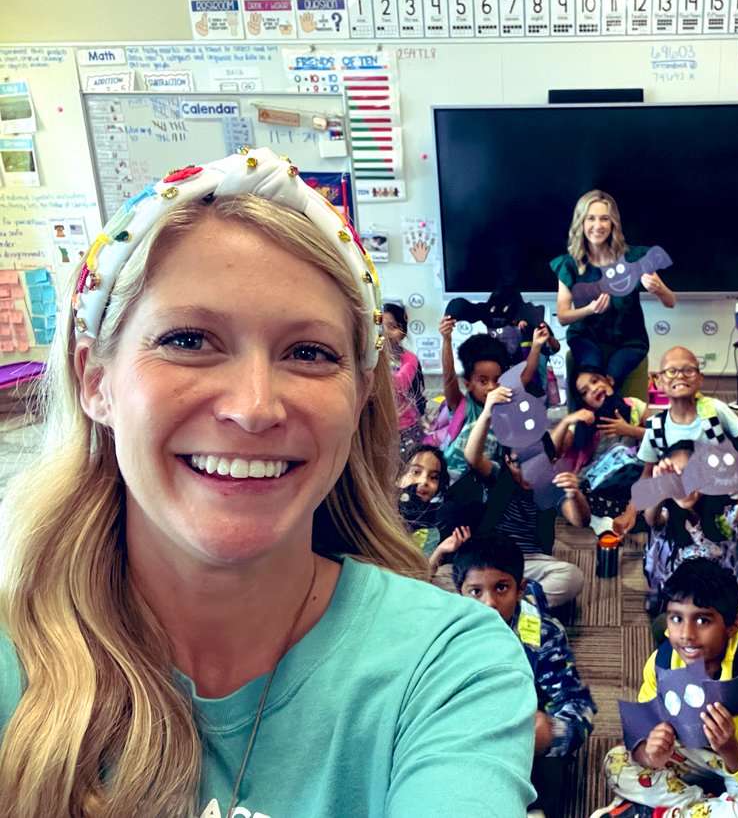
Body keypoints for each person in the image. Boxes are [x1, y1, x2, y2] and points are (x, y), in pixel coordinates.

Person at [0, 149, 535, 816]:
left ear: (358, 399)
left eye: (308, 353)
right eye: (189, 340)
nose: (254, 408)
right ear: (95, 380)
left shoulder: (448, 665)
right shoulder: (14, 657)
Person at [594, 560, 738, 818]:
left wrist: (729, 747)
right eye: (676, 618)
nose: (686, 634)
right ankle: (699, 806)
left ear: (732, 625)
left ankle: (657, 812)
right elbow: (641, 734)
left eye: (702, 620)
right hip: (687, 754)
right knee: (615, 762)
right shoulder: (661, 662)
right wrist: (650, 754)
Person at [454, 533, 595, 818]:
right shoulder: (452, 634)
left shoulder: (542, 636)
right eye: (475, 592)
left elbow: (579, 706)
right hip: (472, 735)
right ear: (460, 594)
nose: (489, 603)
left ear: (520, 590)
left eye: (501, 588)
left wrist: (551, 733)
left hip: (524, 736)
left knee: (544, 783)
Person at [452, 386, 588, 608]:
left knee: (572, 576)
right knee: (444, 576)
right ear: (507, 461)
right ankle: (513, 604)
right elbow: (472, 457)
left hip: (527, 561)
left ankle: (503, 605)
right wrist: (487, 414)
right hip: (489, 557)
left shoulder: (551, 485)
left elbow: (580, 521)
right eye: (518, 462)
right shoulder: (499, 476)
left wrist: (576, 495)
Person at [550, 190, 676, 390]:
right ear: (581, 222)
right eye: (591, 218)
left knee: (610, 380)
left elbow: (670, 302)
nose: (598, 225)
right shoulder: (569, 264)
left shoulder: (634, 258)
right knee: (591, 374)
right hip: (585, 338)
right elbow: (563, 317)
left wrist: (659, 289)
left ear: (613, 224)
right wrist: (590, 310)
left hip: (629, 341)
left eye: (604, 219)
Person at [640, 442, 738, 614]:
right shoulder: (667, 512)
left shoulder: (720, 514)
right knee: (667, 611)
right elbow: (652, 519)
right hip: (673, 585)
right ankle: (660, 601)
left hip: (712, 587)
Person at [552, 370, 652, 533]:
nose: (593, 389)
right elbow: (552, 453)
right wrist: (566, 421)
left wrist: (630, 430)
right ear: (584, 400)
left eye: (595, 381)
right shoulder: (583, 420)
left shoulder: (633, 405)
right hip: (594, 488)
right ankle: (605, 519)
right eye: (585, 392)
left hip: (628, 483)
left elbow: (661, 437)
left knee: (659, 483)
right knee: (565, 490)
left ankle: (618, 518)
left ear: (609, 380)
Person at [637, 346, 738, 470]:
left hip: (721, 479)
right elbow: (647, 474)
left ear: (700, 379)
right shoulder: (655, 427)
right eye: (671, 371)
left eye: (688, 370)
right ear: (659, 382)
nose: (680, 376)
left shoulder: (715, 409)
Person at [427, 322, 508, 482]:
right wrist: (446, 340)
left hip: (482, 482)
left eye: (497, 380)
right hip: (450, 478)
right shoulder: (463, 405)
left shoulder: (506, 414)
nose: (491, 387)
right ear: (468, 384)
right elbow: (449, 377)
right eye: (483, 381)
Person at [382, 302, 427, 454]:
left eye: (392, 326)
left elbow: (398, 384)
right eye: (380, 327)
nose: (386, 333)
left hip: (407, 428)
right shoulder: (368, 359)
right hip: (378, 428)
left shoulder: (409, 358)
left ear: (402, 331)